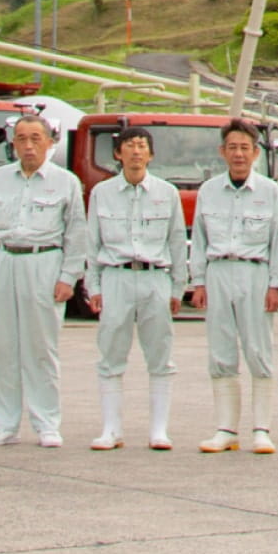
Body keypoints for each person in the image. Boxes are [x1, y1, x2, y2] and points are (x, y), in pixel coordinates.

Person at [0, 115, 88, 447]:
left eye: (36, 138)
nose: (28, 145)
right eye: (21, 138)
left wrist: (69, 277)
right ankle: (2, 423)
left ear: (50, 142)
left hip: (44, 262)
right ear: (13, 143)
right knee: (1, 348)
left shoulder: (64, 182)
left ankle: (46, 422)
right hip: (3, 259)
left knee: (41, 348)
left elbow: (76, 233)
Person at [80, 126, 186, 452]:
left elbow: (177, 242)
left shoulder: (167, 193)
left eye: (142, 146)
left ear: (151, 154)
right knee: (111, 354)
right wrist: (93, 286)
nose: (136, 152)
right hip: (116, 276)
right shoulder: (102, 193)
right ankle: (111, 429)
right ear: (118, 153)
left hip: (155, 277)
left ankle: (159, 430)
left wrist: (177, 288)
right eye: (129, 146)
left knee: (160, 357)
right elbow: (92, 242)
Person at [189, 120, 278, 455]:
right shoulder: (208, 191)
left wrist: (276, 284)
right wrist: (198, 282)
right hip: (218, 271)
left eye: (245, 148)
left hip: (255, 273)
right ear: (222, 152)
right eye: (232, 148)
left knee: (259, 351)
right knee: (220, 352)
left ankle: (262, 430)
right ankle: (225, 429)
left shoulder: (269, 192)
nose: (238, 154)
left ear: (256, 153)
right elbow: (199, 240)